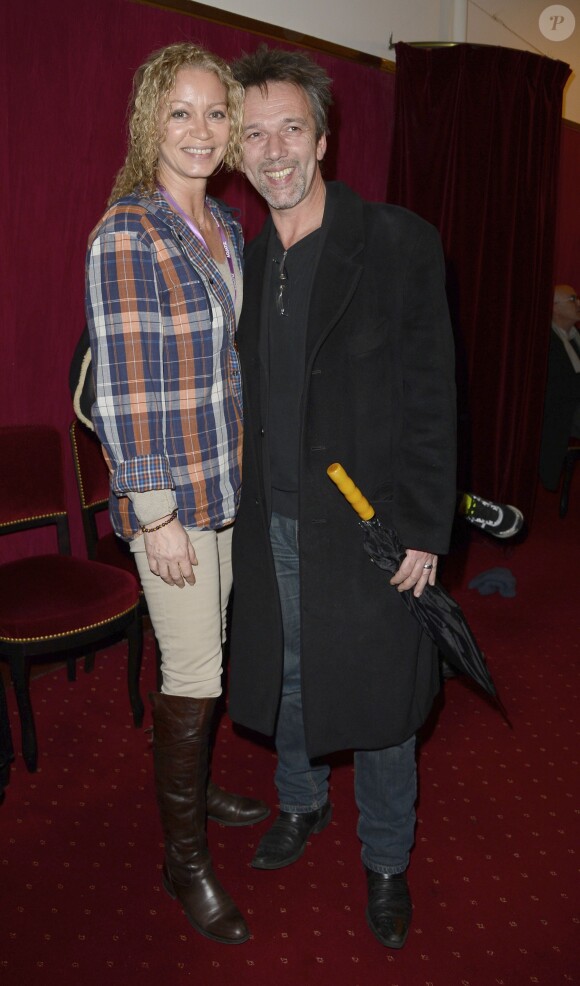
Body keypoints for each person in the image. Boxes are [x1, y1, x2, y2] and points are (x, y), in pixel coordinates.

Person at [228, 46, 457, 950]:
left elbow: (435, 397)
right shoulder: (242, 261)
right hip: (269, 520)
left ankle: (388, 856)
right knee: (287, 674)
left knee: (382, 703)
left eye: (290, 127)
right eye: (254, 135)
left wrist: (425, 528)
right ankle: (299, 801)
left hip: (371, 526)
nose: (273, 149)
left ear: (322, 138)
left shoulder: (398, 241)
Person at [85, 42, 270, 947]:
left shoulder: (226, 229)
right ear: (149, 124)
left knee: (212, 648)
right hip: (171, 497)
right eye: (180, 113)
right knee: (195, 669)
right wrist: (152, 512)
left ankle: (191, 788)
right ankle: (183, 858)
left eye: (214, 113)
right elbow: (122, 386)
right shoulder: (129, 231)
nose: (200, 131)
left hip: (223, 478)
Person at [539, 285, 580, 491]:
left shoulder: (576, 337)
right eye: (573, 299)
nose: (578, 303)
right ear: (555, 308)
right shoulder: (545, 340)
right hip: (561, 413)